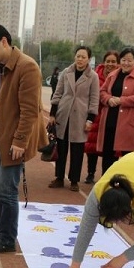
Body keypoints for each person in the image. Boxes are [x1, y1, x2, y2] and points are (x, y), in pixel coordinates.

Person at [0, 24, 47, 253]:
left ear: (3, 41)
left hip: (14, 141)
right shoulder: (1, 67)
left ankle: (7, 238)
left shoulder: (27, 67)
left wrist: (20, 141)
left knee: (6, 190)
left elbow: (29, 110)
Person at [48, 45, 100, 192]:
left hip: (80, 116)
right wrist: (52, 114)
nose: (80, 59)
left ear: (89, 59)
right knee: (61, 147)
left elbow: (94, 99)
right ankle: (59, 177)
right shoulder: (66, 72)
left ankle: (74, 180)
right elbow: (57, 93)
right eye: (78, 56)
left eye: (84, 57)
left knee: (77, 150)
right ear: (74, 57)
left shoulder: (93, 77)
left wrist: (90, 119)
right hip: (63, 114)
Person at [96, 47, 134, 173]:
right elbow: (102, 91)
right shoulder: (113, 75)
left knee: (128, 155)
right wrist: (108, 99)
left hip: (128, 123)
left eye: (129, 60)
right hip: (110, 120)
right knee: (108, 153)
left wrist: (121, 100)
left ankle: (126, 184)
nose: (126, 63)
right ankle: (106, 180)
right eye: (124, 60)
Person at [84, 50, 119, 184]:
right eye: (108, 61)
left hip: (110, 116)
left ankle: (108, 175)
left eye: (113, 61)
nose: (110, 64)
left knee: (109, 148)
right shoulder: (95, 75)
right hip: (95, 113)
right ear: (104, 62)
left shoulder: (119, 76)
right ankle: (90, 173)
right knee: (91, 146)